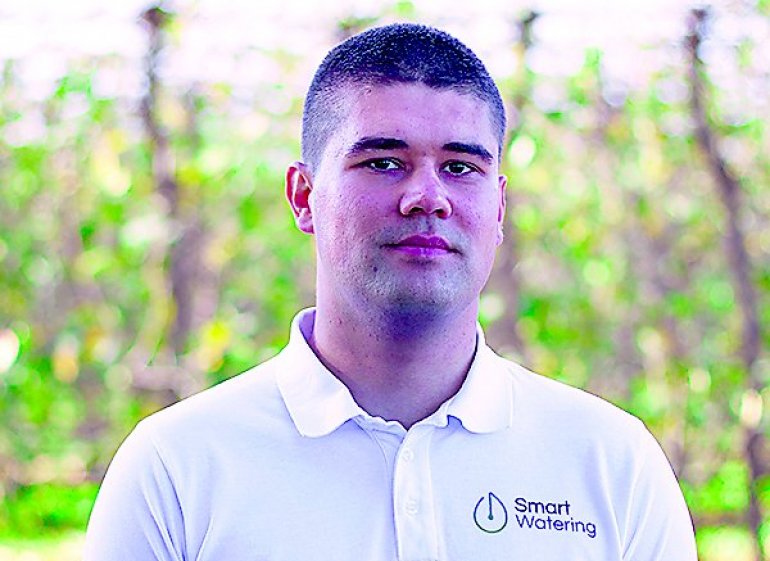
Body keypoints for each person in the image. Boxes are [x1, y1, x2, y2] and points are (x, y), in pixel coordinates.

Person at [83, 23, 697, 561]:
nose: (427, 196)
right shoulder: (175, 468)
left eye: (461, 167)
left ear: (499, 206)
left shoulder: (611, 464)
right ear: (304, 197)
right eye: (383, 162)